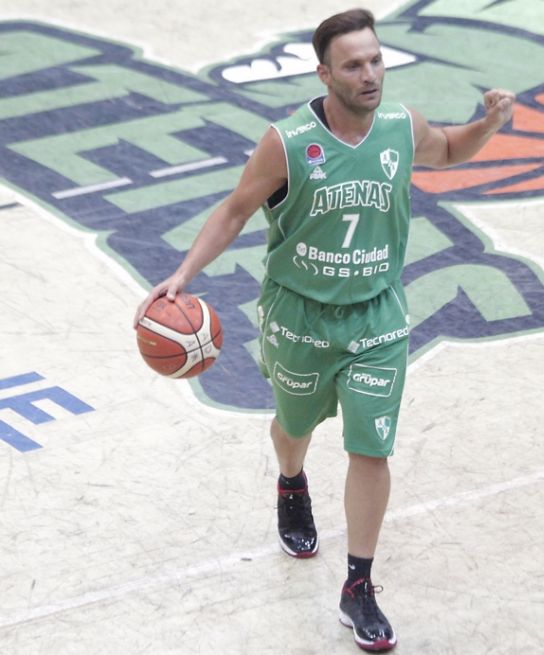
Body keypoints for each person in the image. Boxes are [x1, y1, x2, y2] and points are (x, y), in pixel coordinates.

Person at [134, 8, 514, 652]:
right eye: (354, 65)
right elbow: (235, 210)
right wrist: (183, 274)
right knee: (295, 426)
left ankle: (358, 585)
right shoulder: (287, 142)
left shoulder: (400, 127)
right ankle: (291, 481)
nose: (370, 75)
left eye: (376, 60)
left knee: (372, 448)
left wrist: (488, 125)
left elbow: (449, 149)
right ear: (324, 74)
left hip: (377, 315)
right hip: (300, 315)